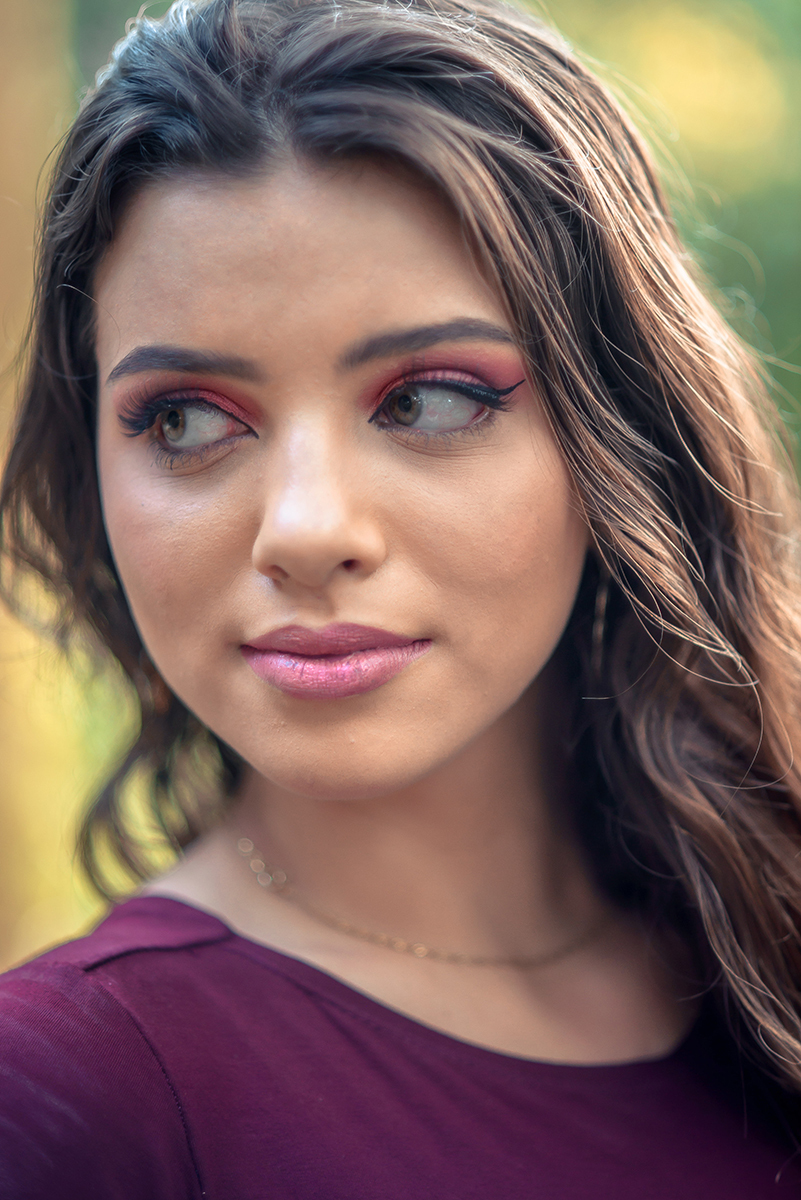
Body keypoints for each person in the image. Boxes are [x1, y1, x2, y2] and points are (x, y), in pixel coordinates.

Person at [0, 0, 799, 1193]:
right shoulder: (69, 1101)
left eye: (427, 400)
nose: (307, 530)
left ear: (618, 430)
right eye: (187, 421)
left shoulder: (763, 949)